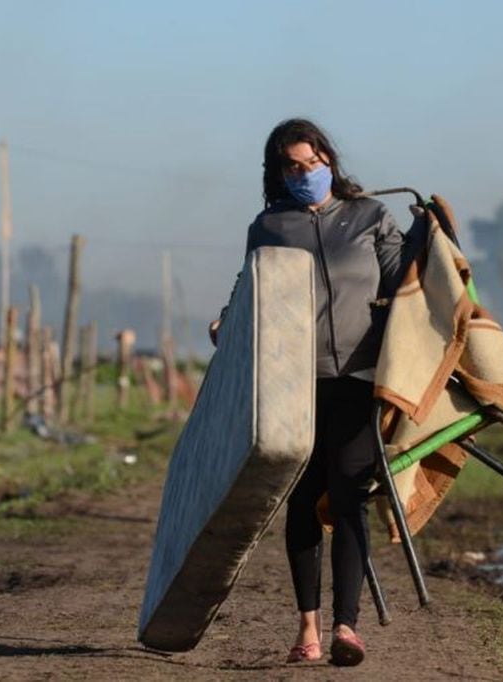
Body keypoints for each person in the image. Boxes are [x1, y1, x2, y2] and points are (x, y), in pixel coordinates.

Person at [210, 118, 415, 667]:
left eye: (313, 162)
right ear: (278, 172)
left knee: (349, 496)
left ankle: (348, 627)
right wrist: (227, 320)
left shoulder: (370, 216)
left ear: (330, 159)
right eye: (293, 167)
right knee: (300, 500)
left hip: (359, 378)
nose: (306, 173)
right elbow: (248, 288)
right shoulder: (270, 227)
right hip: (292, 382)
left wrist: (432, 242)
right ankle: (308, 628)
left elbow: (403, 284)